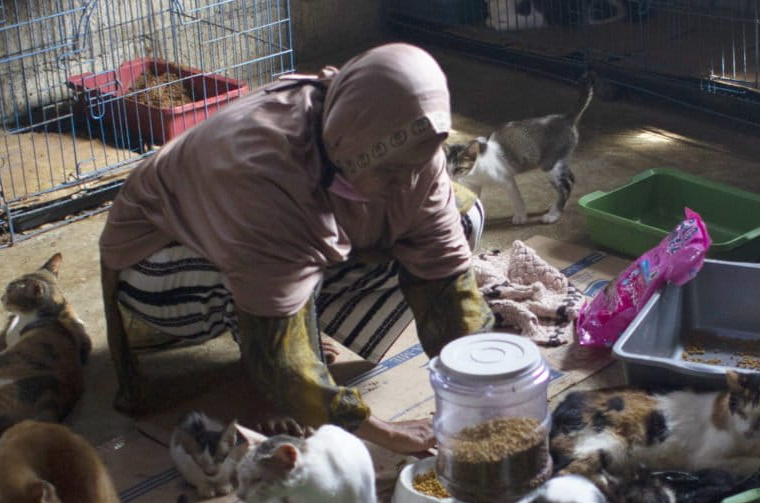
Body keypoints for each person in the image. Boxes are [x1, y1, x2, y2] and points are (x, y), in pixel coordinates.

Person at [98, 44, 493, 455]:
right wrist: (383, 432)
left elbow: (447, 281)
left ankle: (293, 336)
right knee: (278, 320)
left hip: (276, 246)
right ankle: (267, 357)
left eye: (418, 167)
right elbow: (279, 351)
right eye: (392, 171)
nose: (406, 183)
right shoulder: (265, 172)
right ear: (352, 142)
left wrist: (480, 383)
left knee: (461, 215)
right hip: (157, 266)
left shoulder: (408, 148)